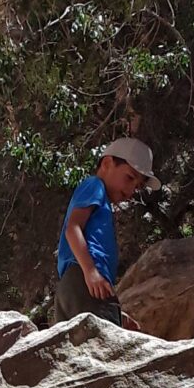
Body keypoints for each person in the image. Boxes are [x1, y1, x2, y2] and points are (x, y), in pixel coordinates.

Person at [54, 137, 161, 329]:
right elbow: (73, 228)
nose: (130, 191)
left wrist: (117, 315)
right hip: (83, 278)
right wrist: (91, 272)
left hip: (74, 286)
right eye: (129, 177)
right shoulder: (95, 185)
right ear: (106, 163)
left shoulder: (101, 201)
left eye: (137, 186)